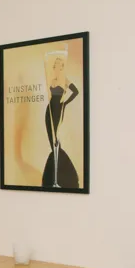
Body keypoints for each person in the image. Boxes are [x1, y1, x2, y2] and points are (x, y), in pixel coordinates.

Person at [42, 49, 80, 189]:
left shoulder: (65, 80)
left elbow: (76, 92)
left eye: (58, 65)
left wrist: (64, 104)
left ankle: (61, 177)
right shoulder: (51, 80)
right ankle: (54, 178)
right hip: (49, 111)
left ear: (61, 66)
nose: (55, 67)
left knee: (56, 142)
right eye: (54, 65)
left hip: (58, 110)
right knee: (52, 143)